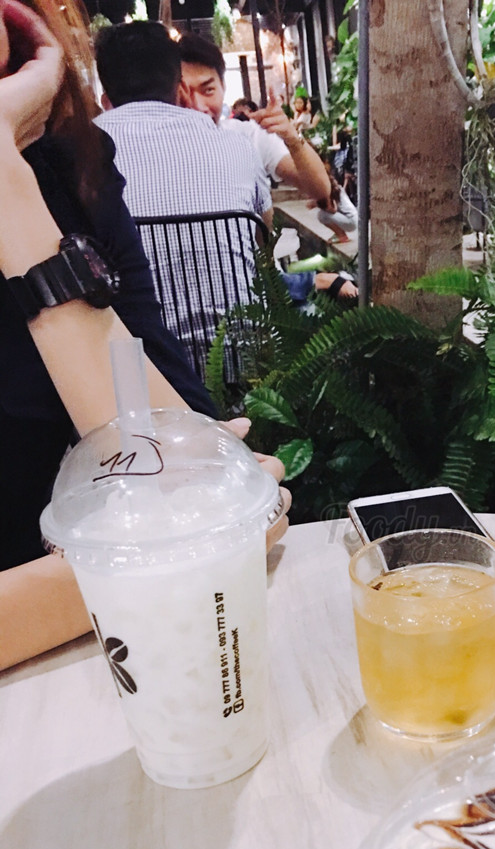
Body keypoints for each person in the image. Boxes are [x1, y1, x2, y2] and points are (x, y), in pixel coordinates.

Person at [0, 0, 289, 669]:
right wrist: (185, 551)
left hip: (113, 641)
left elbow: (156, 376)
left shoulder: (64, 159)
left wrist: (11, 190)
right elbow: (215, 531)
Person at [93, 21, 273, 371]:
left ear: (106, 99)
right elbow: (263, 236)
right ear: (180, 90)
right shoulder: (236, 146)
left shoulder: (80, 156)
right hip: (240, 366)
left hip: (136, 375)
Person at [178, 34, 329, 203]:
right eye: (184, 93)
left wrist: (292, 138)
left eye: (208, 90)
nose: (198, 106)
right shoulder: (158, 150)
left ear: (223, 87)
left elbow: (320, 190)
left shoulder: (247, 136)